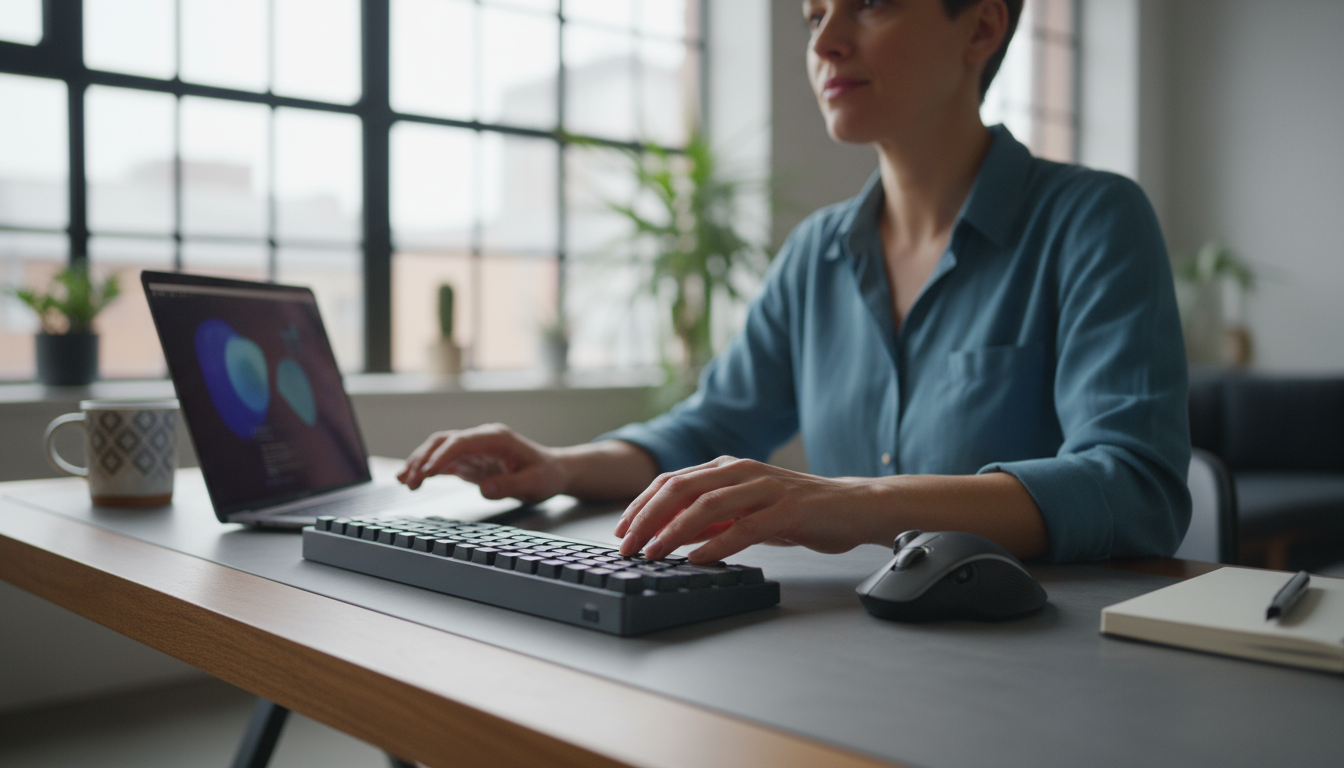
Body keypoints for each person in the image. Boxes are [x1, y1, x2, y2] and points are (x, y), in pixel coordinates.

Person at [398, 0, 1191, 566]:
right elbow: (706, 431)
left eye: (870, 5)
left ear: (981, 25)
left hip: (1042, 662)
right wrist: (562, 465)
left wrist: (856, 504)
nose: (828, 42)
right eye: (814, 16)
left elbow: (1133, 491)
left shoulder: (1093, 220)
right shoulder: (816, 254)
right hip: (850, 644)